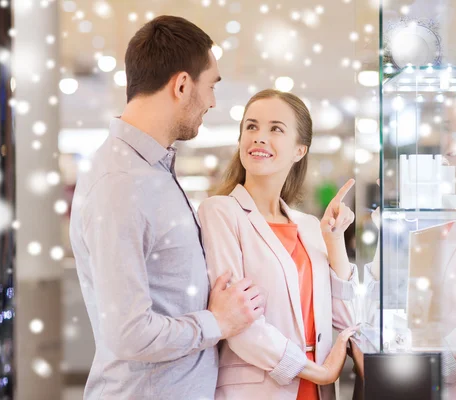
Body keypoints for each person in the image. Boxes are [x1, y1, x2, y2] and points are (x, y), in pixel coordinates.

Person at [69, 16, 265, 399]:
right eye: (211, 87)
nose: (211, 102)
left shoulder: (150, 171)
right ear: (181, 85)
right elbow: (129, 334)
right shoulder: (121, 183)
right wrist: (217, 321)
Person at [198, 89, 359, 400]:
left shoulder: (310, 227)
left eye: (275, 129)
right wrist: (317, 371)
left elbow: (347, 319)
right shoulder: (220, 211)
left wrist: (334, 238)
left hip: (317, 390)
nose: (259, 137)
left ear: (299, 150)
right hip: (261, 389)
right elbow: (238, 322)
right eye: (251, 126)